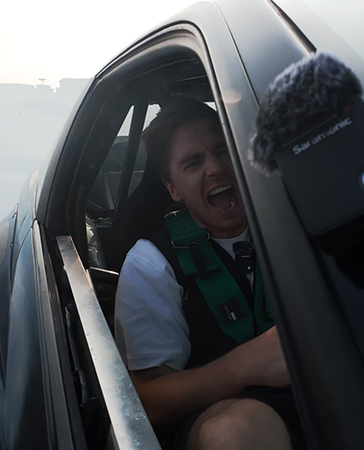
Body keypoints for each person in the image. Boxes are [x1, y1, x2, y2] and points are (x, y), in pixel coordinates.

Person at [114, 99, 303, 450]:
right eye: (193, 162)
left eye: (223, 150)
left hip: (332, 387)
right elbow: (151, 402)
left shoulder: (293, 223)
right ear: (172, 188)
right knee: (232, 435)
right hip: (230, 413)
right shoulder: (151, 264)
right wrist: (245, 366)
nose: (215, 168)